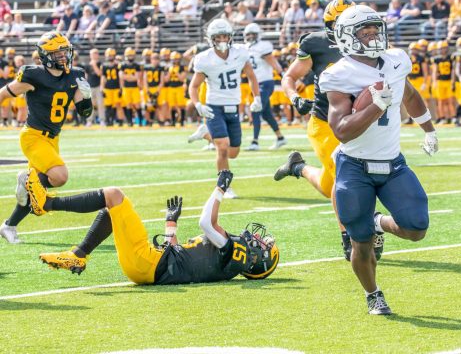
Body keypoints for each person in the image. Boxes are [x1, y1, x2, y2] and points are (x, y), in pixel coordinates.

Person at [319, 5, 437, 315]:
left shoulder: (397, 60)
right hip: (355, 166)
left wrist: (428, 129)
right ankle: (373, 294)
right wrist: (375, 108)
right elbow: (342, 131)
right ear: (347, 37)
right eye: (364, 31)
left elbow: (409, 94)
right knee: (361, 243)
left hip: (392, 163)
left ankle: (377, 222)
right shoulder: (338, 74)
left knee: (416, 227)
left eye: (375, 29)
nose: (372, 36)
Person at [32, 172, 279, 283]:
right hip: (146, 270)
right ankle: (77, 256)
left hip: (150, 263)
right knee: (113, 211)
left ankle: (46, 203)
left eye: (264, 245)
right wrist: (171, 223)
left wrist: (220, 189)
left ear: (258, 259)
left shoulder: (236, 252)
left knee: (114, 195)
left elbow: (206, 222)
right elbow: (178, 256)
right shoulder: (228, 264)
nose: (260, 238)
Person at [274, 0, 356, 261]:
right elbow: (290, 76)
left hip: (358, 122)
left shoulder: (367, 42)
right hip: (325, 122)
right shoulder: (316, 43)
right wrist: (294, 97)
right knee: (344, 179)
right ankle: (348, 237)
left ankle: (297, 167)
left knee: (330, 184)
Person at [0, 32, 92, 244]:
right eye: (57, 53)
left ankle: (9, 225)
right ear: (45, 55)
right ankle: (26, 181)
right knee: (60, 176)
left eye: (64, 51)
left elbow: (84, 113)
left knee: (35, 191)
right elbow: (4, 93)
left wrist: (87, 98)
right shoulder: (33, 75)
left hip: (53, 139)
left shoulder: (75, 74)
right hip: (33, 137)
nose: (63, 56)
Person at [188, 19, 261, 199]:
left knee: (233, 153)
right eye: (218, 37)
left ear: (230, 37)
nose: (221, 40)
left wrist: (257, 97)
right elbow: (193, 86)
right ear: (211, 39)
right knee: (222, 147)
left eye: (224, 36)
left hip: (233, 105)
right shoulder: (204, 59)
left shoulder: (240, 53)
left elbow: (251, 76)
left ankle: (206, 134)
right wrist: (198, 105)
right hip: (214, 107)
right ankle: (224, 186)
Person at [243, 23, 286, 151]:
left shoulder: (263, 46)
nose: (250, 36)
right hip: (255, 84)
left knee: (255, 110)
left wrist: (282, 73)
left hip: (266, 83)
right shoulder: (245, 48)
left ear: (258, 35)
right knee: (266, 114)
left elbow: (272, 60)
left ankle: (255, 142)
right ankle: (280, 138)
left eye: (252, 34)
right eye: (248, 34)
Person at [119, 47, 143, 126]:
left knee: (137, 104)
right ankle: (130, 121)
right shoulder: (122, 65)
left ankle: (140, 121)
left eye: (132, 55)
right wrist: (131, 77)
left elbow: (137, 77)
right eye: (129, 56)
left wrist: (127, 77)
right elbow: (121, 76)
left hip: (135, 87)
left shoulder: (137, 65)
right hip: (126, 88)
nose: (130, 57)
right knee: (128, 104)